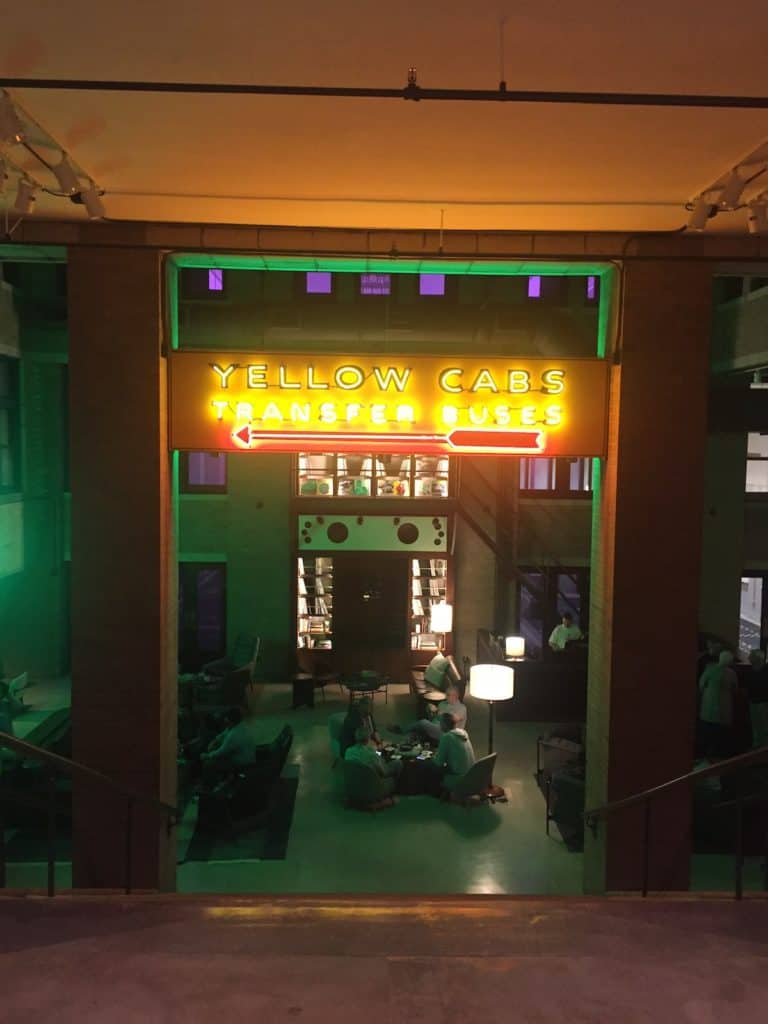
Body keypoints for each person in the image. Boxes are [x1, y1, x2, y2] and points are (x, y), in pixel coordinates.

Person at [390, 685, 468, 744]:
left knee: (423, 722)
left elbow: (453, 720)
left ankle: (402, 731)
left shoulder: (461, 708)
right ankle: (405, 743)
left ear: (456, 696)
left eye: (448, 695)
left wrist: (441, 713)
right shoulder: (442, 704)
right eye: (446, 694)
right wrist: (432, 711)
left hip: (448, 733)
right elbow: (435, 717)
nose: (446, 696)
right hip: (435, 727)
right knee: (418, 730)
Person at [200, 707, 259, 782]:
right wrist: (215, 740)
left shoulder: (234, 735)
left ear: (230, 720)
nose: (224, 720)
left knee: (209, 764)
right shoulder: (240, 726)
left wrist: (207, 755)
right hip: (249, 759)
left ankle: (208, 787)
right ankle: (222, 781)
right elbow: (225, 733)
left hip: (242, 764)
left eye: (226, 718)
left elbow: (221, 752)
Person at [698, 650, 738, 758]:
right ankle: (719, 754)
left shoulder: (710, 669)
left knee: (708, 732)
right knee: (721, 734)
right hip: (725, 707)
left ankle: (706, 754)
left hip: (708, 706)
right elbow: (735, 689)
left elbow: (701, 685)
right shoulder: (731, 673)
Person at [431, 712, 476, 793]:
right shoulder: (463, 732)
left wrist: (433, 756)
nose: (439, 725)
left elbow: (439, 763)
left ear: (444, 724)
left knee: (428, 766)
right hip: (471, 775)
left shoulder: (447, 737)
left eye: (440, 722)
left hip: (458, 778)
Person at [746, 649, 768, 748]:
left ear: (757, 658)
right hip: (754, 701)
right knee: (756, 726)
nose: (749, 658)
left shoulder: (764, 670)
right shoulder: (751, 670)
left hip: (763, 702)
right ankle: (757, 746)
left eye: (751, 656)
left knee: (763, 726)